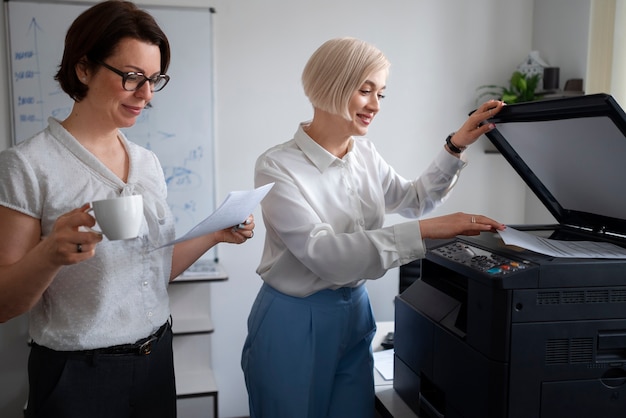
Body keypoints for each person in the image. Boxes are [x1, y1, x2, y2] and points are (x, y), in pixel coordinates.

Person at [0, 1, 254, 417]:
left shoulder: (147, 164)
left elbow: (151, 271)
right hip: (79, 375)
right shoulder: (28, 165)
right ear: (84, 69)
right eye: (133, 77)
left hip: (156, 358)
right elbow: (4, 303)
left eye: (154, 80)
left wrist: (214, 235)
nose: (147, 94)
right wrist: (50, 255)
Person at [241, 37, 505, 418]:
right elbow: (325, 254)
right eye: (365, 91)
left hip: (354, 311)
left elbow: (414, 200)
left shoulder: (364, 153)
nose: (375, 105)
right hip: (295, 319)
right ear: (331, 84)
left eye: (381, 93)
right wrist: (425, 231)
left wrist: (455, 145)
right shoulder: (277, 166)